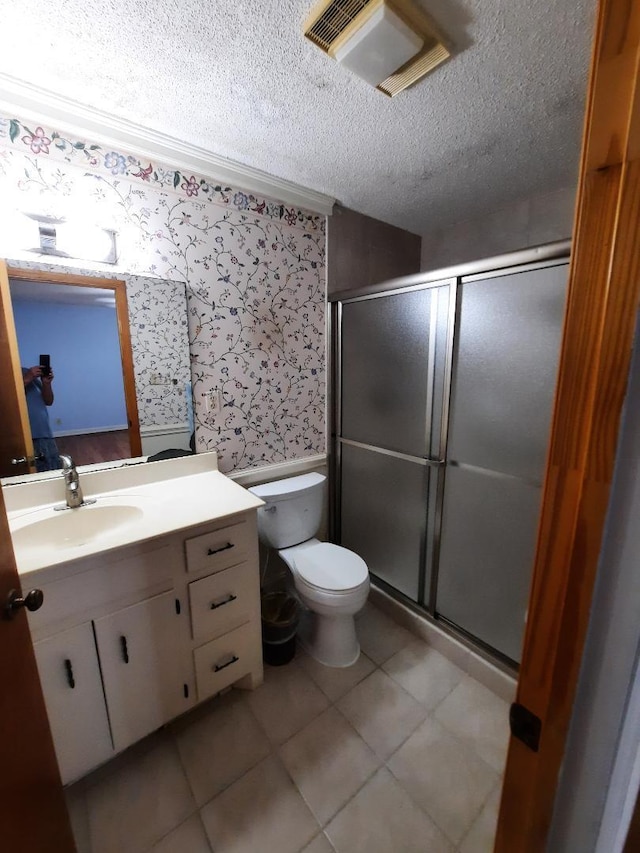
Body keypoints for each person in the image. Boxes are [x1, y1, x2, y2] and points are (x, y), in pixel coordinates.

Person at [22, 364, 62, 472]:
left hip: (44, 433)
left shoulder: (26, 371)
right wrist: (27, 378)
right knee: (37, 476)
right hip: (26, 437)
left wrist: (46, 383)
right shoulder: (8, 377)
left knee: (55, 471)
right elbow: (9, 397)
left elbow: (48, 401)